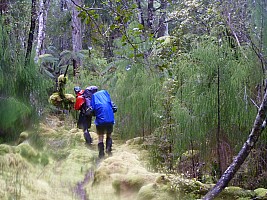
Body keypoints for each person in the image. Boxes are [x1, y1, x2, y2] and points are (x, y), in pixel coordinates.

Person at [90, 89, 117, 158]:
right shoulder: (108, 99)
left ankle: (101, 154)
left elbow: (91, 111)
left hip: (100, 121)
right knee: (109, 135)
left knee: (100, 137)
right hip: (110, 120)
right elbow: (115, 109)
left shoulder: (94, 98)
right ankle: (109, 150)